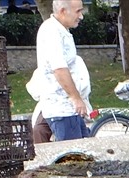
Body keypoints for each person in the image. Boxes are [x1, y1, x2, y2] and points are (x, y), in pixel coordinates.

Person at [32, 0, 92, 141]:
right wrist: (76, 98)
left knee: (84, 147)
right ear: (63, 11)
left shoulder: (61, 30)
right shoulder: (52, 32)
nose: (81, 16)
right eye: (78, 11)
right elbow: (59, 69)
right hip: (62, 109)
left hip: (67, 108)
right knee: (73, 153)